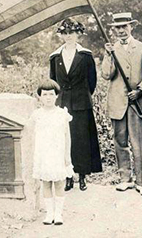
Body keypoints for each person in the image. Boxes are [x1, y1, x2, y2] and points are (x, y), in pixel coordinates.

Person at [49, 18, 102, 191]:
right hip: (63, 103)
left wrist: (83, 96)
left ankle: (83, 176)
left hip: (81, 103)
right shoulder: (55, 56)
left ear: (78, 34)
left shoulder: (85, 55)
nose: (68, 36)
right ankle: (68, 176)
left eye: (72, 32)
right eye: (65, 33)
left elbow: (92, 81)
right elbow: (53, 82)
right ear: (61, 35)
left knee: (81, 140)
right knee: (64, 141)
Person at [101, 12, 142, 196]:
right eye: (117, 28)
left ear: (131, 27)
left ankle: (141, 182)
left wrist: (140, 91)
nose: (121, 30)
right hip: (117, 103)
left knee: (139, 143)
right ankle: (125, 179)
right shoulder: (111, 49)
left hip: (137, 103)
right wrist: (108, 55)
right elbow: (107, 75)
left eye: (124, 26)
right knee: (120, 142)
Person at [31, 79, 73, 225]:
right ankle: (49, 213)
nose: (48, 97)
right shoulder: (37, 115)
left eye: (51, 94)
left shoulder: (62, 114)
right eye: (45, 95)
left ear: (56, 96)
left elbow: (67, 137)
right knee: (46, 184)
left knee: (59, 183)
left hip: (58, 153)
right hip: (43, 154)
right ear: (39, 97)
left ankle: (58, 213)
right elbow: (33, 137)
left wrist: (67, 156)